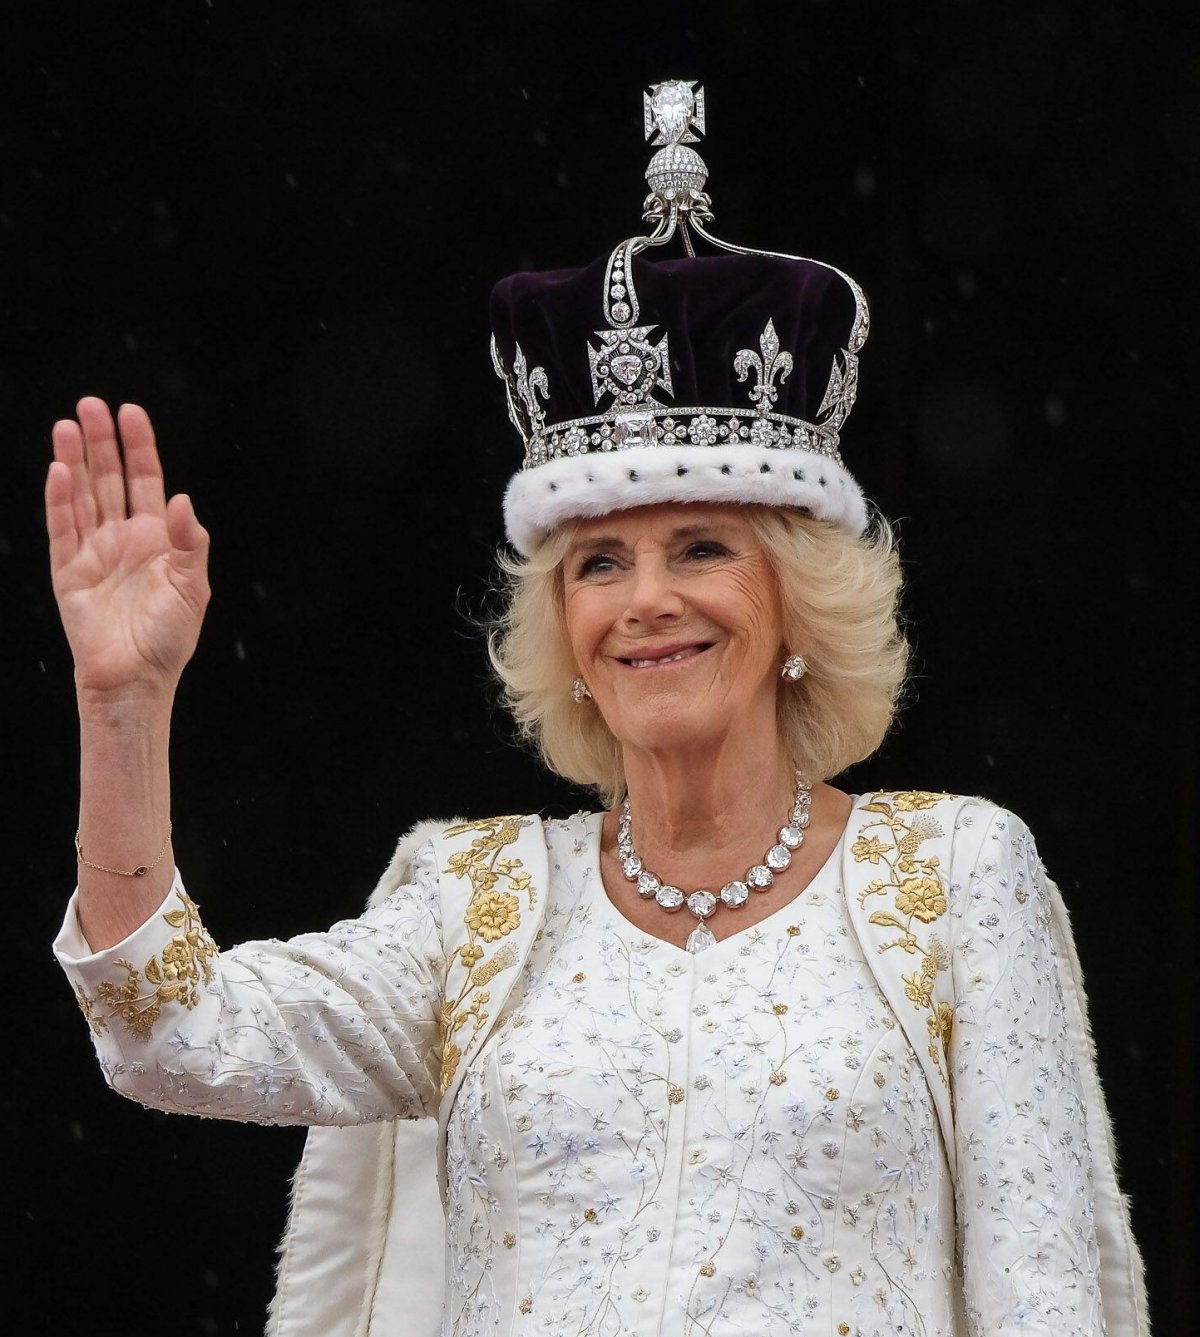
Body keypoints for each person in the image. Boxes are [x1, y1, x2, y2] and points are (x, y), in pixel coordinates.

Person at [48, 81, 1147, 1337]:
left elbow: (1045, 1289)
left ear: (799, 604)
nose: (648, 601)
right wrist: (121, 702)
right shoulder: (472, 903)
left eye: (701, 548)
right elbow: (169, 1031)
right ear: (562, 630)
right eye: (600, 564)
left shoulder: (957, 876)